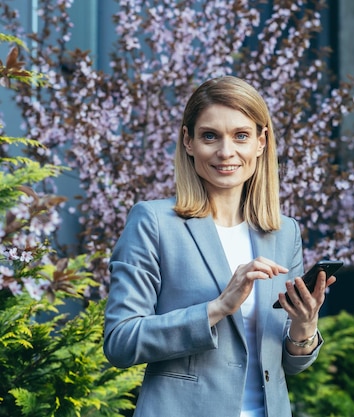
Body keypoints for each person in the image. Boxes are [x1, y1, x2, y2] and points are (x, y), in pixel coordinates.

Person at [103, 75, 336, 417]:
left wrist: (305, 325)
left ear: (261, 142)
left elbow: (292, 364)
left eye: (241, 136)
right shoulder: (153, 222)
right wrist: (217, 308)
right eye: (210, 136)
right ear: (188, 141)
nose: (226, 152)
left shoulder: (284, 233)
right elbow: (121, 342)